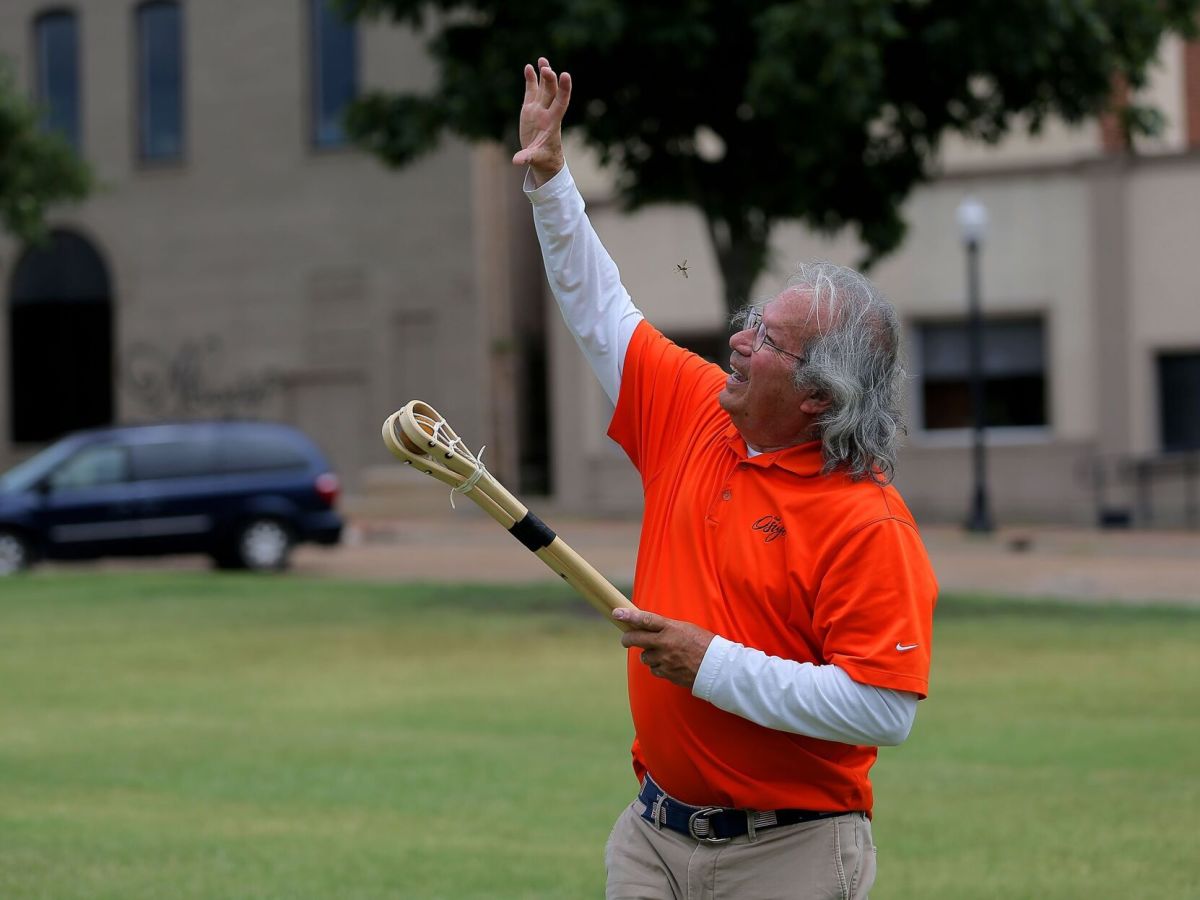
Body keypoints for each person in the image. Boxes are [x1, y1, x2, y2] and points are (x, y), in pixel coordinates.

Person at [513, 58, 938, 900]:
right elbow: (601, 309)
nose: (739, 342)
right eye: (752, 324)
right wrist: (553, 185)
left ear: (821, 393)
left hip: (792, 854)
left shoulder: (868, 523)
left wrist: (709, 665)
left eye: (770, 343)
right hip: (652, 834)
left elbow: (885, 710)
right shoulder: (700, 411)